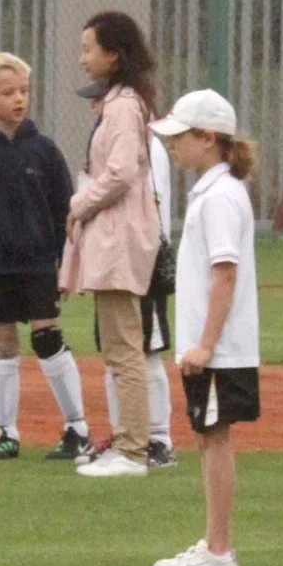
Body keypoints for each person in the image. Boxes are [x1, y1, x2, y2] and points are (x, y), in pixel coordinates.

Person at [150, 91, 262, 566]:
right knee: (208, 437)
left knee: (214, 438)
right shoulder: (214, 192)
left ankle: (218, 549)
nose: (173, 146)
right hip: (212, 346)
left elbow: (225, 273)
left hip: (217, 348)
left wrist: (206, 344)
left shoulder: (219, 197)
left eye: (181, 137)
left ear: (208, 138)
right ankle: (215, 544)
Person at [0, 51, 86, 463]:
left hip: (38, 263)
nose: (18, 99)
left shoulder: (44, 151)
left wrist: (65, 262)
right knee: (2, 344)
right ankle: (6, 434)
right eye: (7, 93)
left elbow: (64, 211)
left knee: (47, 337)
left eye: (23, 91)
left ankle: (77, 428)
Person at [60, 10, 162, 479]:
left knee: (124, 348)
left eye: (89, 49)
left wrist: (80, 204)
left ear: (113, 55)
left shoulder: (122, 106)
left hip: (119, 238)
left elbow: (120, 173)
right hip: (115, 236)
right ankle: (128, 443)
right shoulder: (122, 102)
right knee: (123, 346)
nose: (82, 58)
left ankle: (134, 448)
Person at [101, 128, 178, 468]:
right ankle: (125, 436)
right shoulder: (109, 138)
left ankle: (158, 439)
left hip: (141, 257)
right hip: (111, 257)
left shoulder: (145, 144)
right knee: (116, 350)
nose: (96, 106)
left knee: (146, 348)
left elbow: (152, 204)